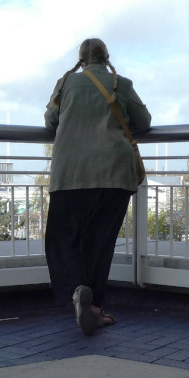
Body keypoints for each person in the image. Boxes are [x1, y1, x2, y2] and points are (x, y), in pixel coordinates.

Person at [44, 37, 151, 336]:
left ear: (80, 59)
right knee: (99, 243)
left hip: (71, 172)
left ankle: (77, 290)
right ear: (107, 57)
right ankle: (93, 307)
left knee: (62, 240)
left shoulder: (65, 82)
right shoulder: (121, 83)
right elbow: (143, 121)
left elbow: (51, 120)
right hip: (114, 172)